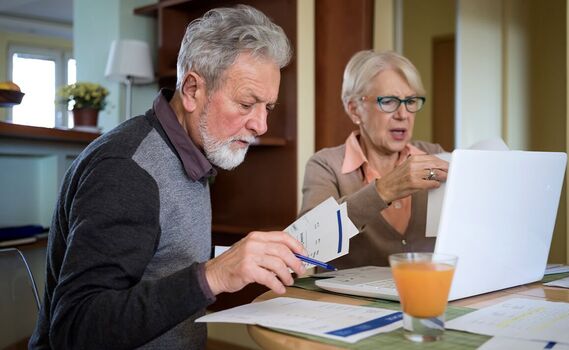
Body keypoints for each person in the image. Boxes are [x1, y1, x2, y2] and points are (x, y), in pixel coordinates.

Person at [29, 5, 307, 350]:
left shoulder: (192, 153)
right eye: (247, 103)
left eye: (268, 107)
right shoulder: (127, 171)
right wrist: (214, 274)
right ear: (192, 90)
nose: (261, 125)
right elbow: (77, 328)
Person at [300, 50, 449, 269]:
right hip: (349, 302)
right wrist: (384, 190)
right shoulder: (325, 165)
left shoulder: (435, 156)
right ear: (355, 110)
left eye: (410, 101)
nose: (403, 114)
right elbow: (308, 245)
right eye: (388, 101)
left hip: (424, 296)